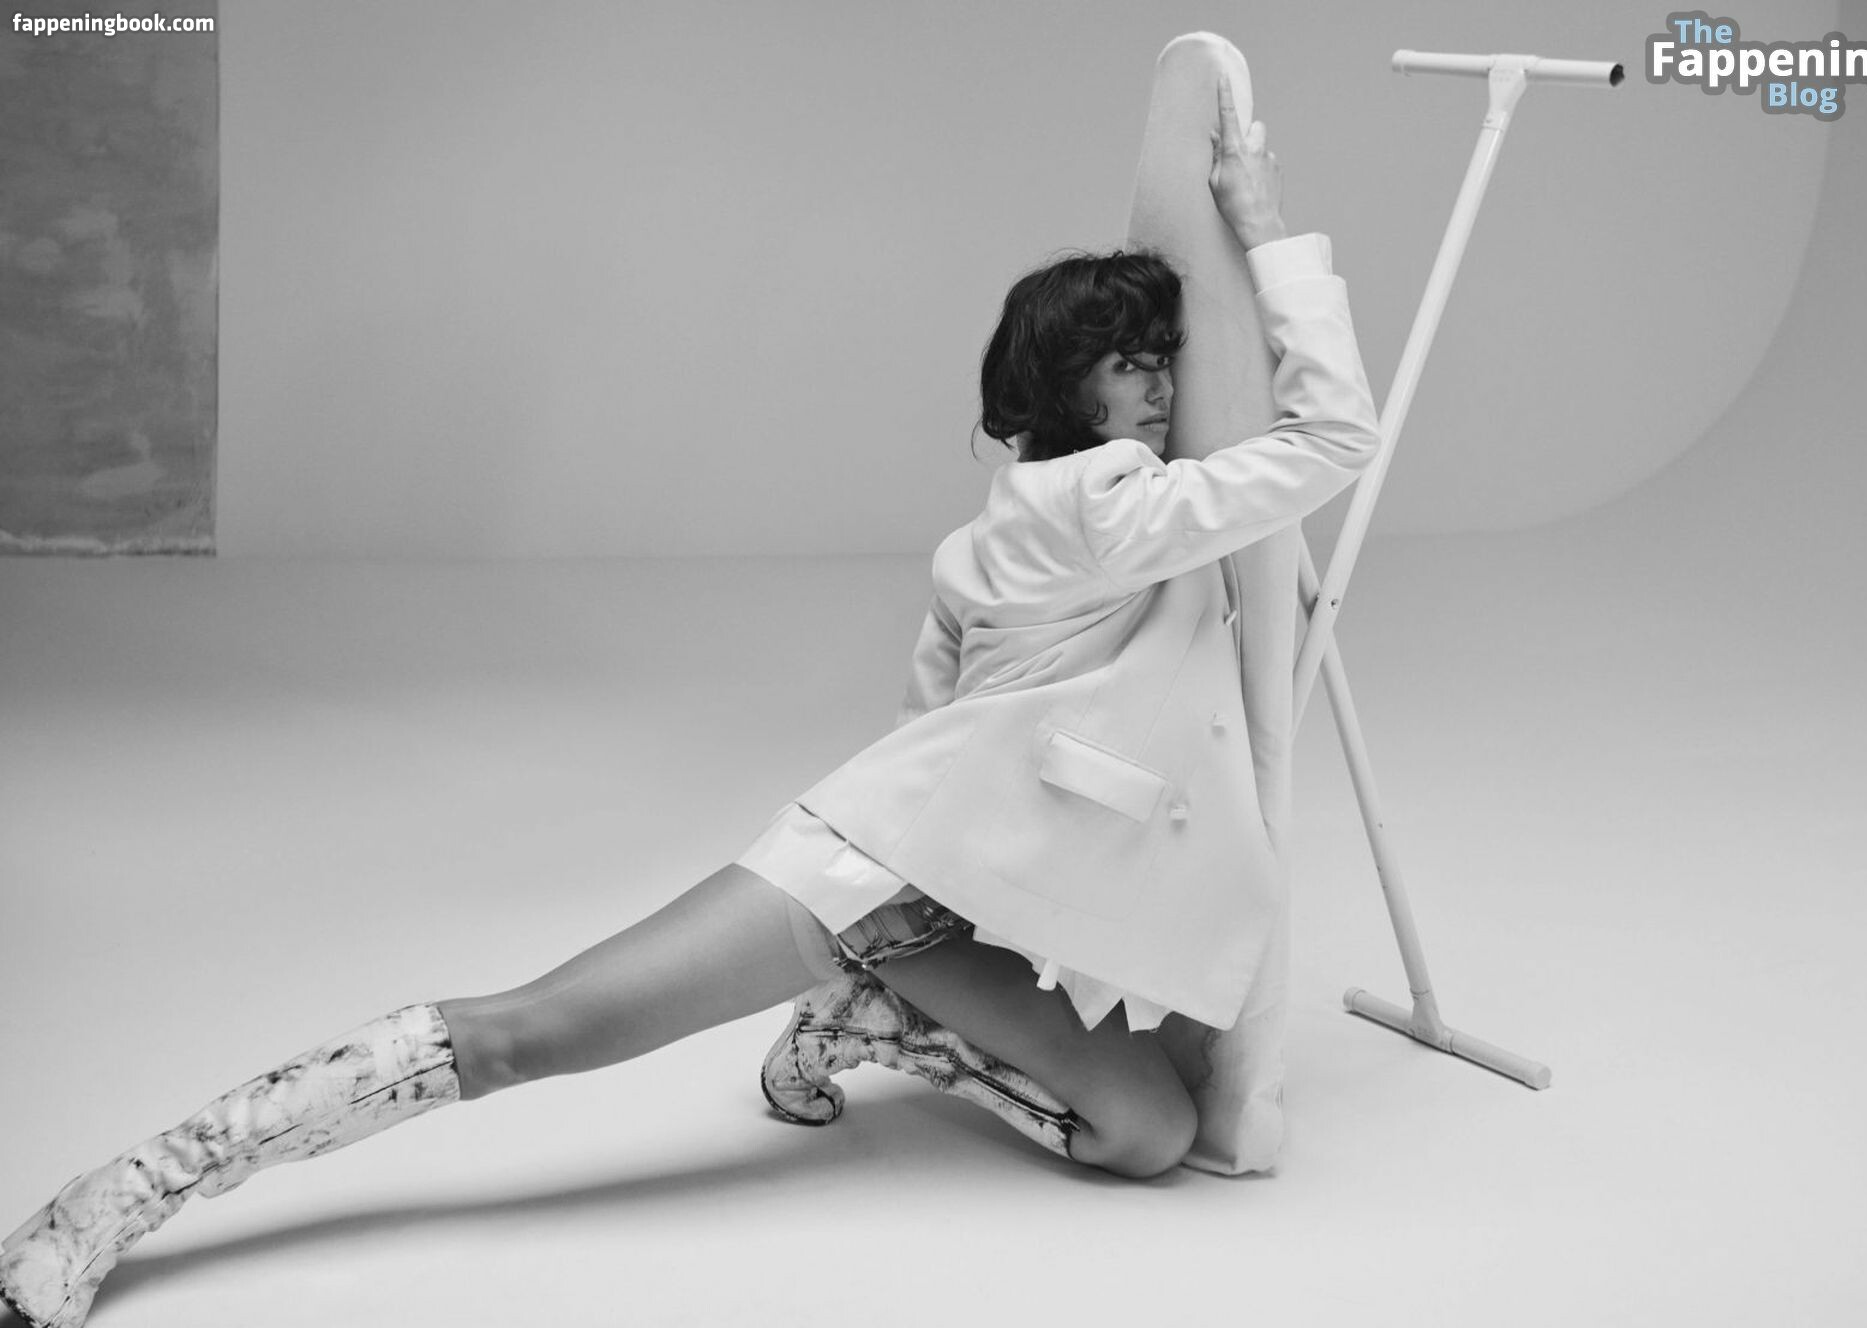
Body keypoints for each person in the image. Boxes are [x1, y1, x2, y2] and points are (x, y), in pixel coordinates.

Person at [0, 80, 1378, 1328]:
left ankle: (878, 1016)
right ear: (1062, 385)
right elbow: (1332, 438)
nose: (1161, 382)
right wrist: (1269, 235)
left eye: (1166, 353)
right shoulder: (1107, 502)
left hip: (959, 895)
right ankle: (117, 1199)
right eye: (1130, 359)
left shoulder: (1027, 518)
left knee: (1147, 1135)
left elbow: (939, 706)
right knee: (530, 1032)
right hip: (871, 873)